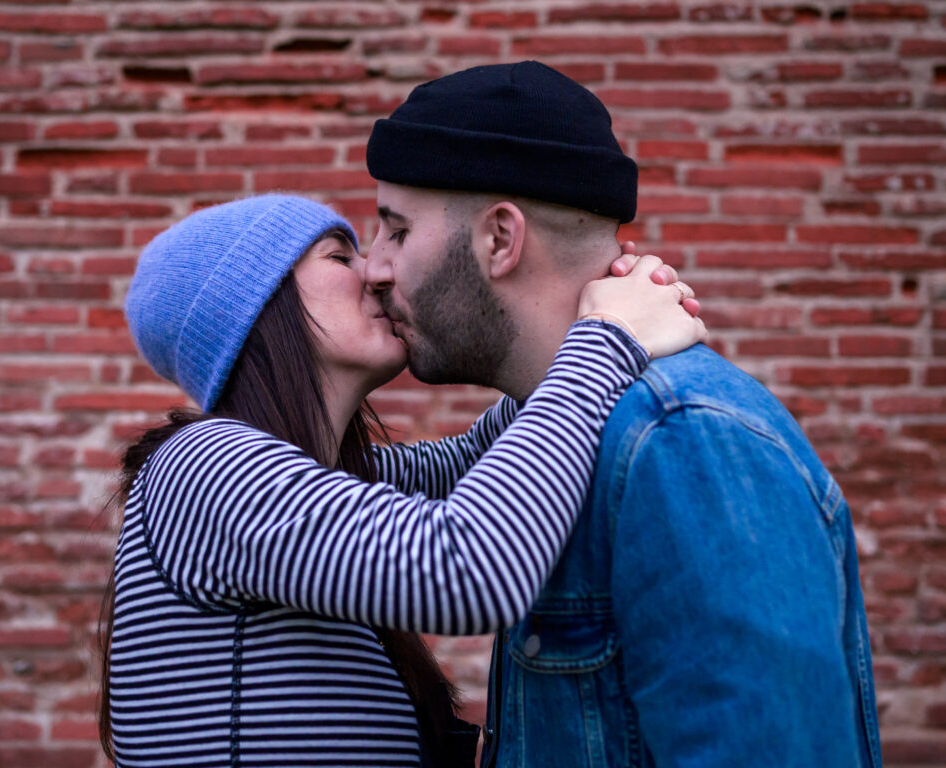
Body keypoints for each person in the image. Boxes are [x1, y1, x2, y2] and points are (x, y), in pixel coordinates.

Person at [364, 61, 883, 767]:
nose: (374, 268)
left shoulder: (684, 443)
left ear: (499, 240)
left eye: (394, 230)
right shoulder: (547, 437)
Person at [98, 193, 705, 767]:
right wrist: (608, 340)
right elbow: (469, 569)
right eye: (340, 255)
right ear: (257, 309)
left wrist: (578, 310)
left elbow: (482, 455)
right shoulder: (203, 465)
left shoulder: (326, 475)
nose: (375, 273)